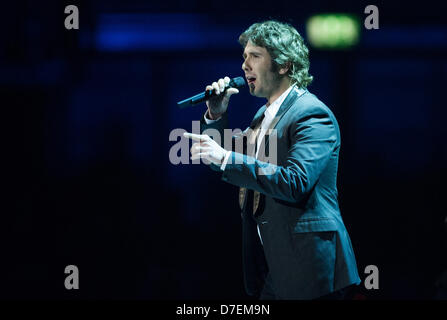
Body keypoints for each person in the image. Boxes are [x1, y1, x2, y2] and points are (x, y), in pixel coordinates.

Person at [184, 20, 360, 300]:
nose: (245, 65)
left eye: (255, 56)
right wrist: (215, 115)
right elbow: (224, 160)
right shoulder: (264, 116)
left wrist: (227, 157)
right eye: (244, 57)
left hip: (310, 269)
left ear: (284, 65)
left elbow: (295, 182)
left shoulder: (311, 113)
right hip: (275, 268)